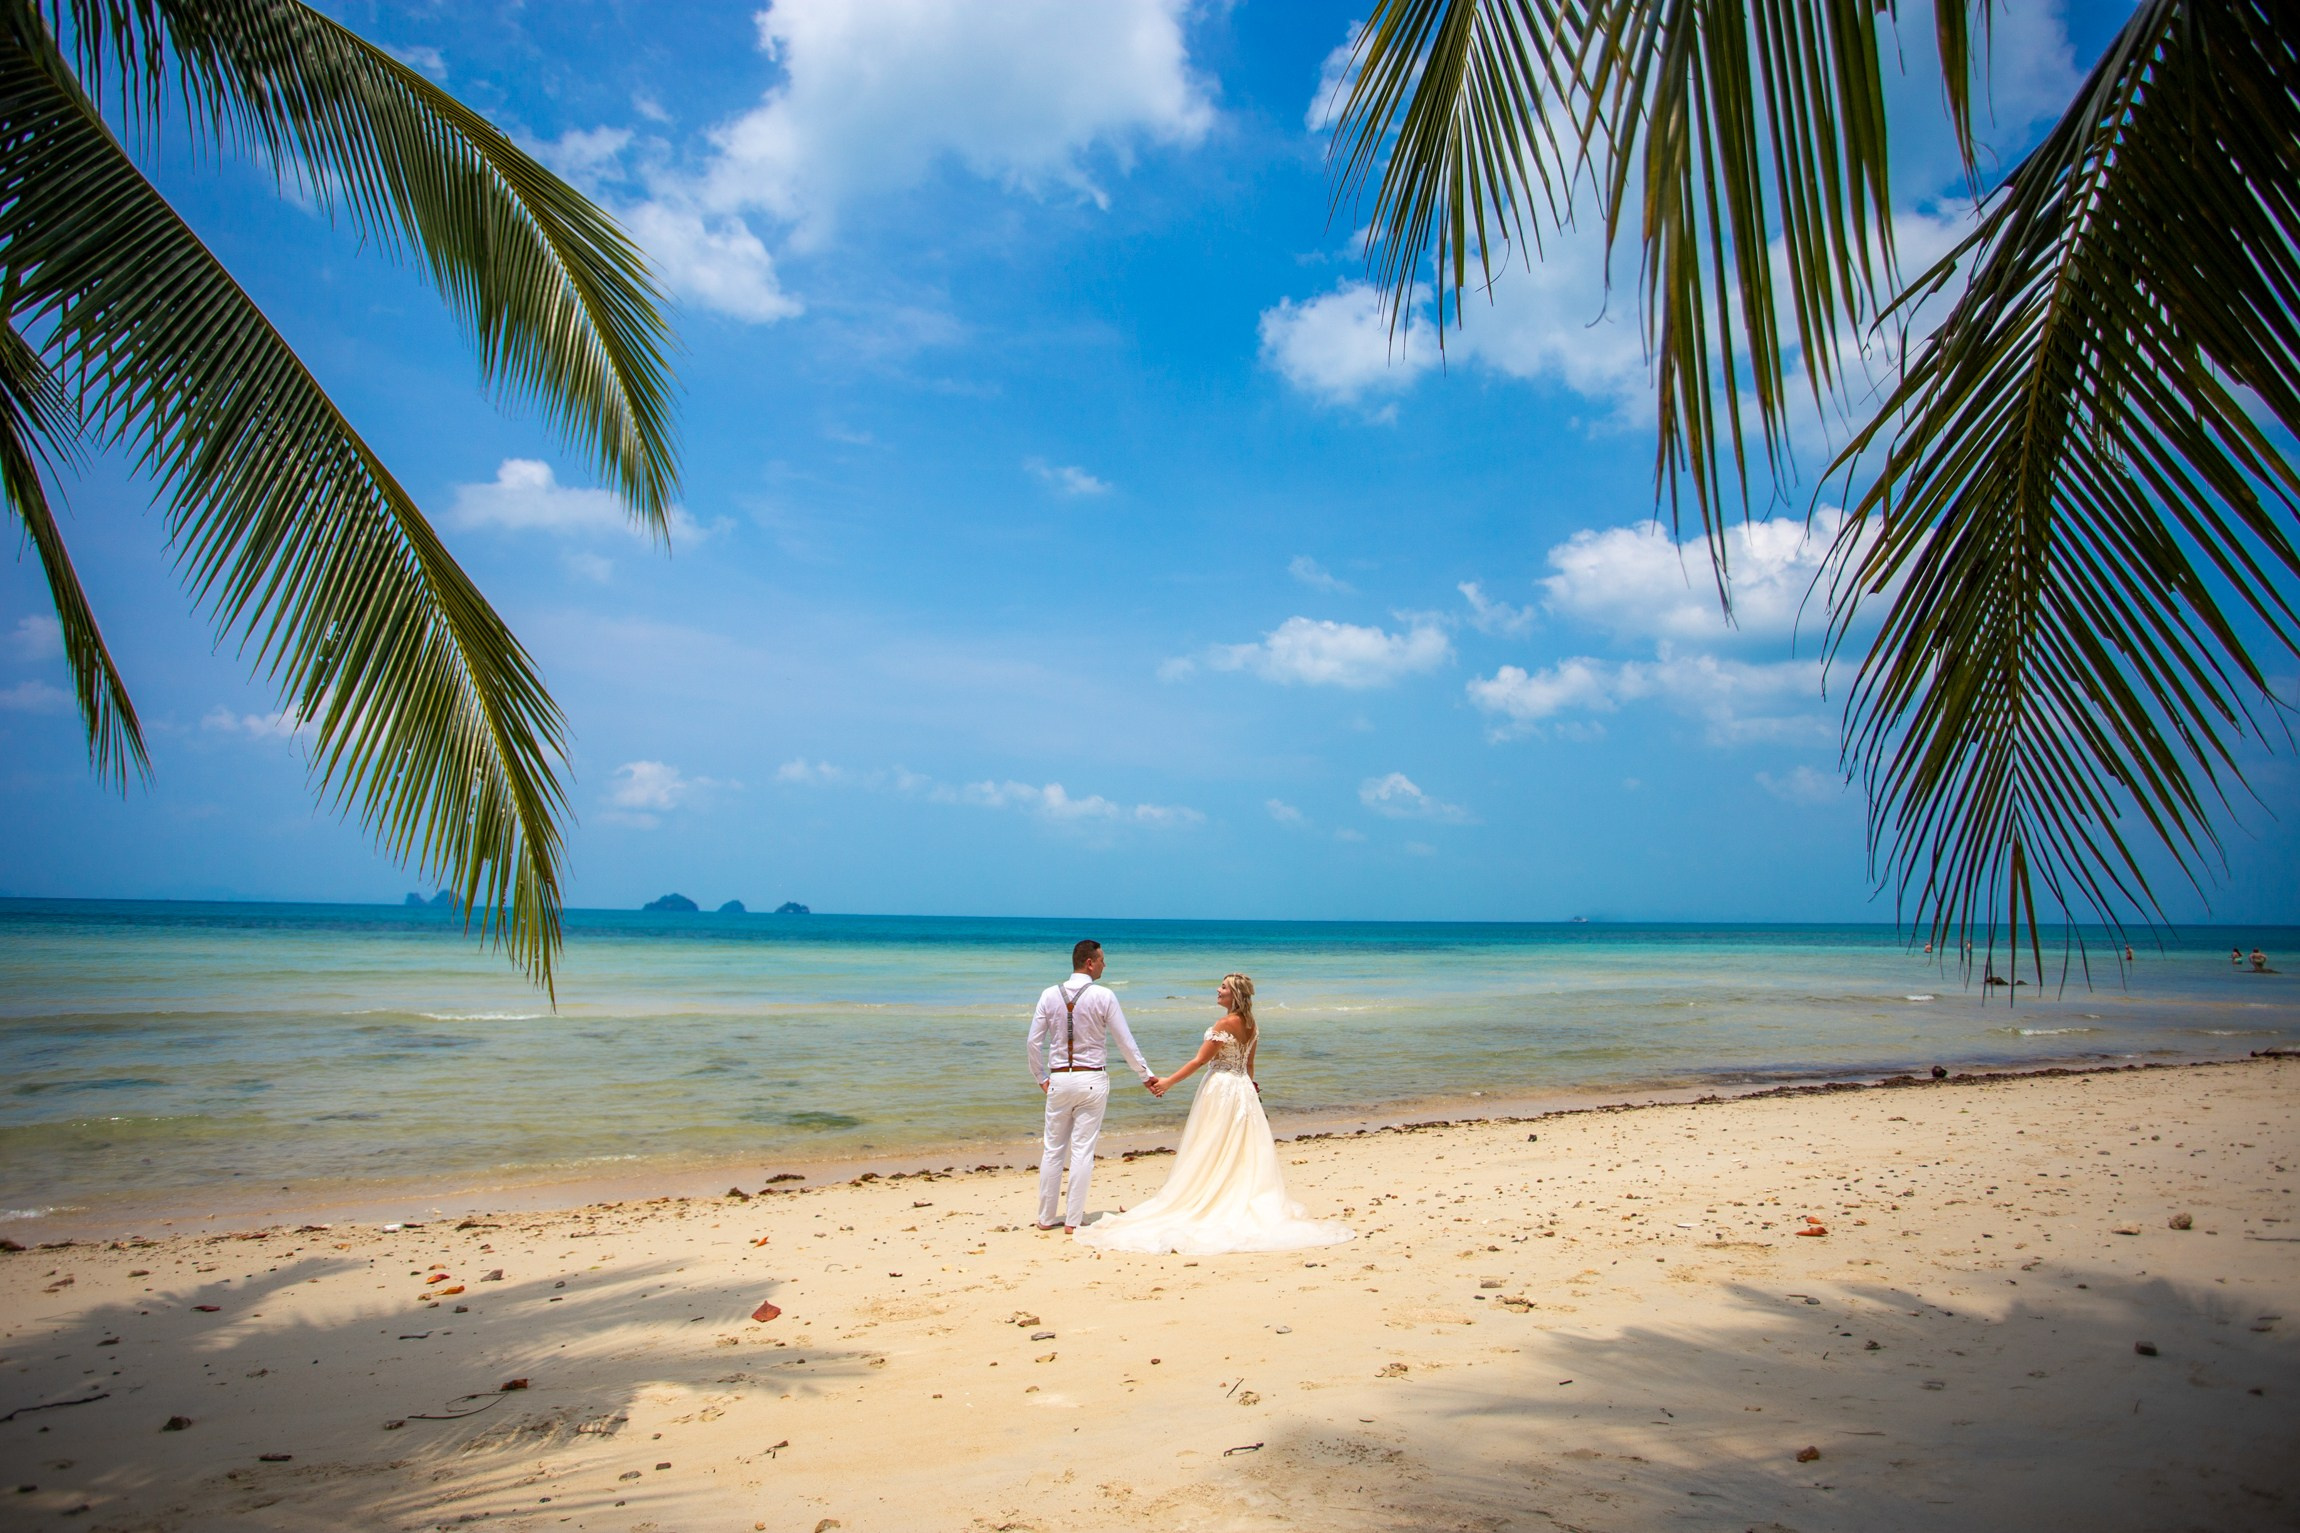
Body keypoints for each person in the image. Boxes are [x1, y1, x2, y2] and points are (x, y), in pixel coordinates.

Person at [1075, 973, 1352, 1255]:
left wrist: (1167, 1082)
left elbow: (1200, 1060)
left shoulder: (1225, 1024)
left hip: (1221, 1090)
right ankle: (1234, 1195)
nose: (1217, 990)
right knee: (1239, 1150)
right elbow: (1250, 1065)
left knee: (1210, 1145)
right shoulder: (1251, 1024)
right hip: (1242, 1089)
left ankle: (1211, 1197)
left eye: (1223, 987)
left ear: (1235, 995)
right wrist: (1251, 1093)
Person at [1027, 939, 1158, 1232]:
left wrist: (1040, 1077)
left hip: (1059, 1078)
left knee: (1052, 1149)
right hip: (1091, 1079)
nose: (1104, 964)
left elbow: (1033, 1042)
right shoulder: (1104, 996)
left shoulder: (1049, 995)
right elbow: (1126, 1042)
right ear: (1089, 962)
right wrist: (1144, 1074)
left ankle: (1046, 1218)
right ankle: (1073, 1220)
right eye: (1101, 959)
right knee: (1082, 1151)